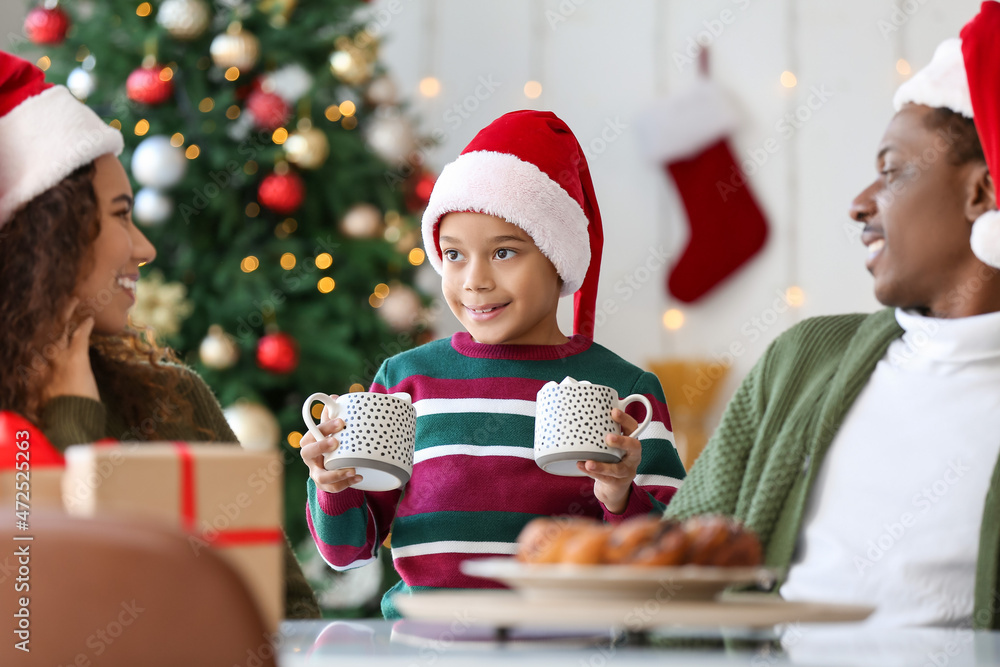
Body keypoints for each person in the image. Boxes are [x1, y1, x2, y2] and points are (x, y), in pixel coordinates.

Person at [665, 2, 1000, 629]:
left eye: (891, 171)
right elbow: (670, 572)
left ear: (981, 192)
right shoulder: (804, 360)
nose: (859, 203)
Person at [299, 110, 687, 617]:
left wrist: (618, 496)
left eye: (504, 253)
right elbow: (348, 553)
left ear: (559, 257)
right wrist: (330, 487)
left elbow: (671, 558)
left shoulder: (624, 392)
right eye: (454, 254)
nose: (473, 280)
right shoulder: (404, 383)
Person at [0, 50, 320, 619]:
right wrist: (72, 413)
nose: (145, 249)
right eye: (122, 214)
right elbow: (46, 620)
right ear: (45, 240)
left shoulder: (176, 400)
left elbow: (287, 614)